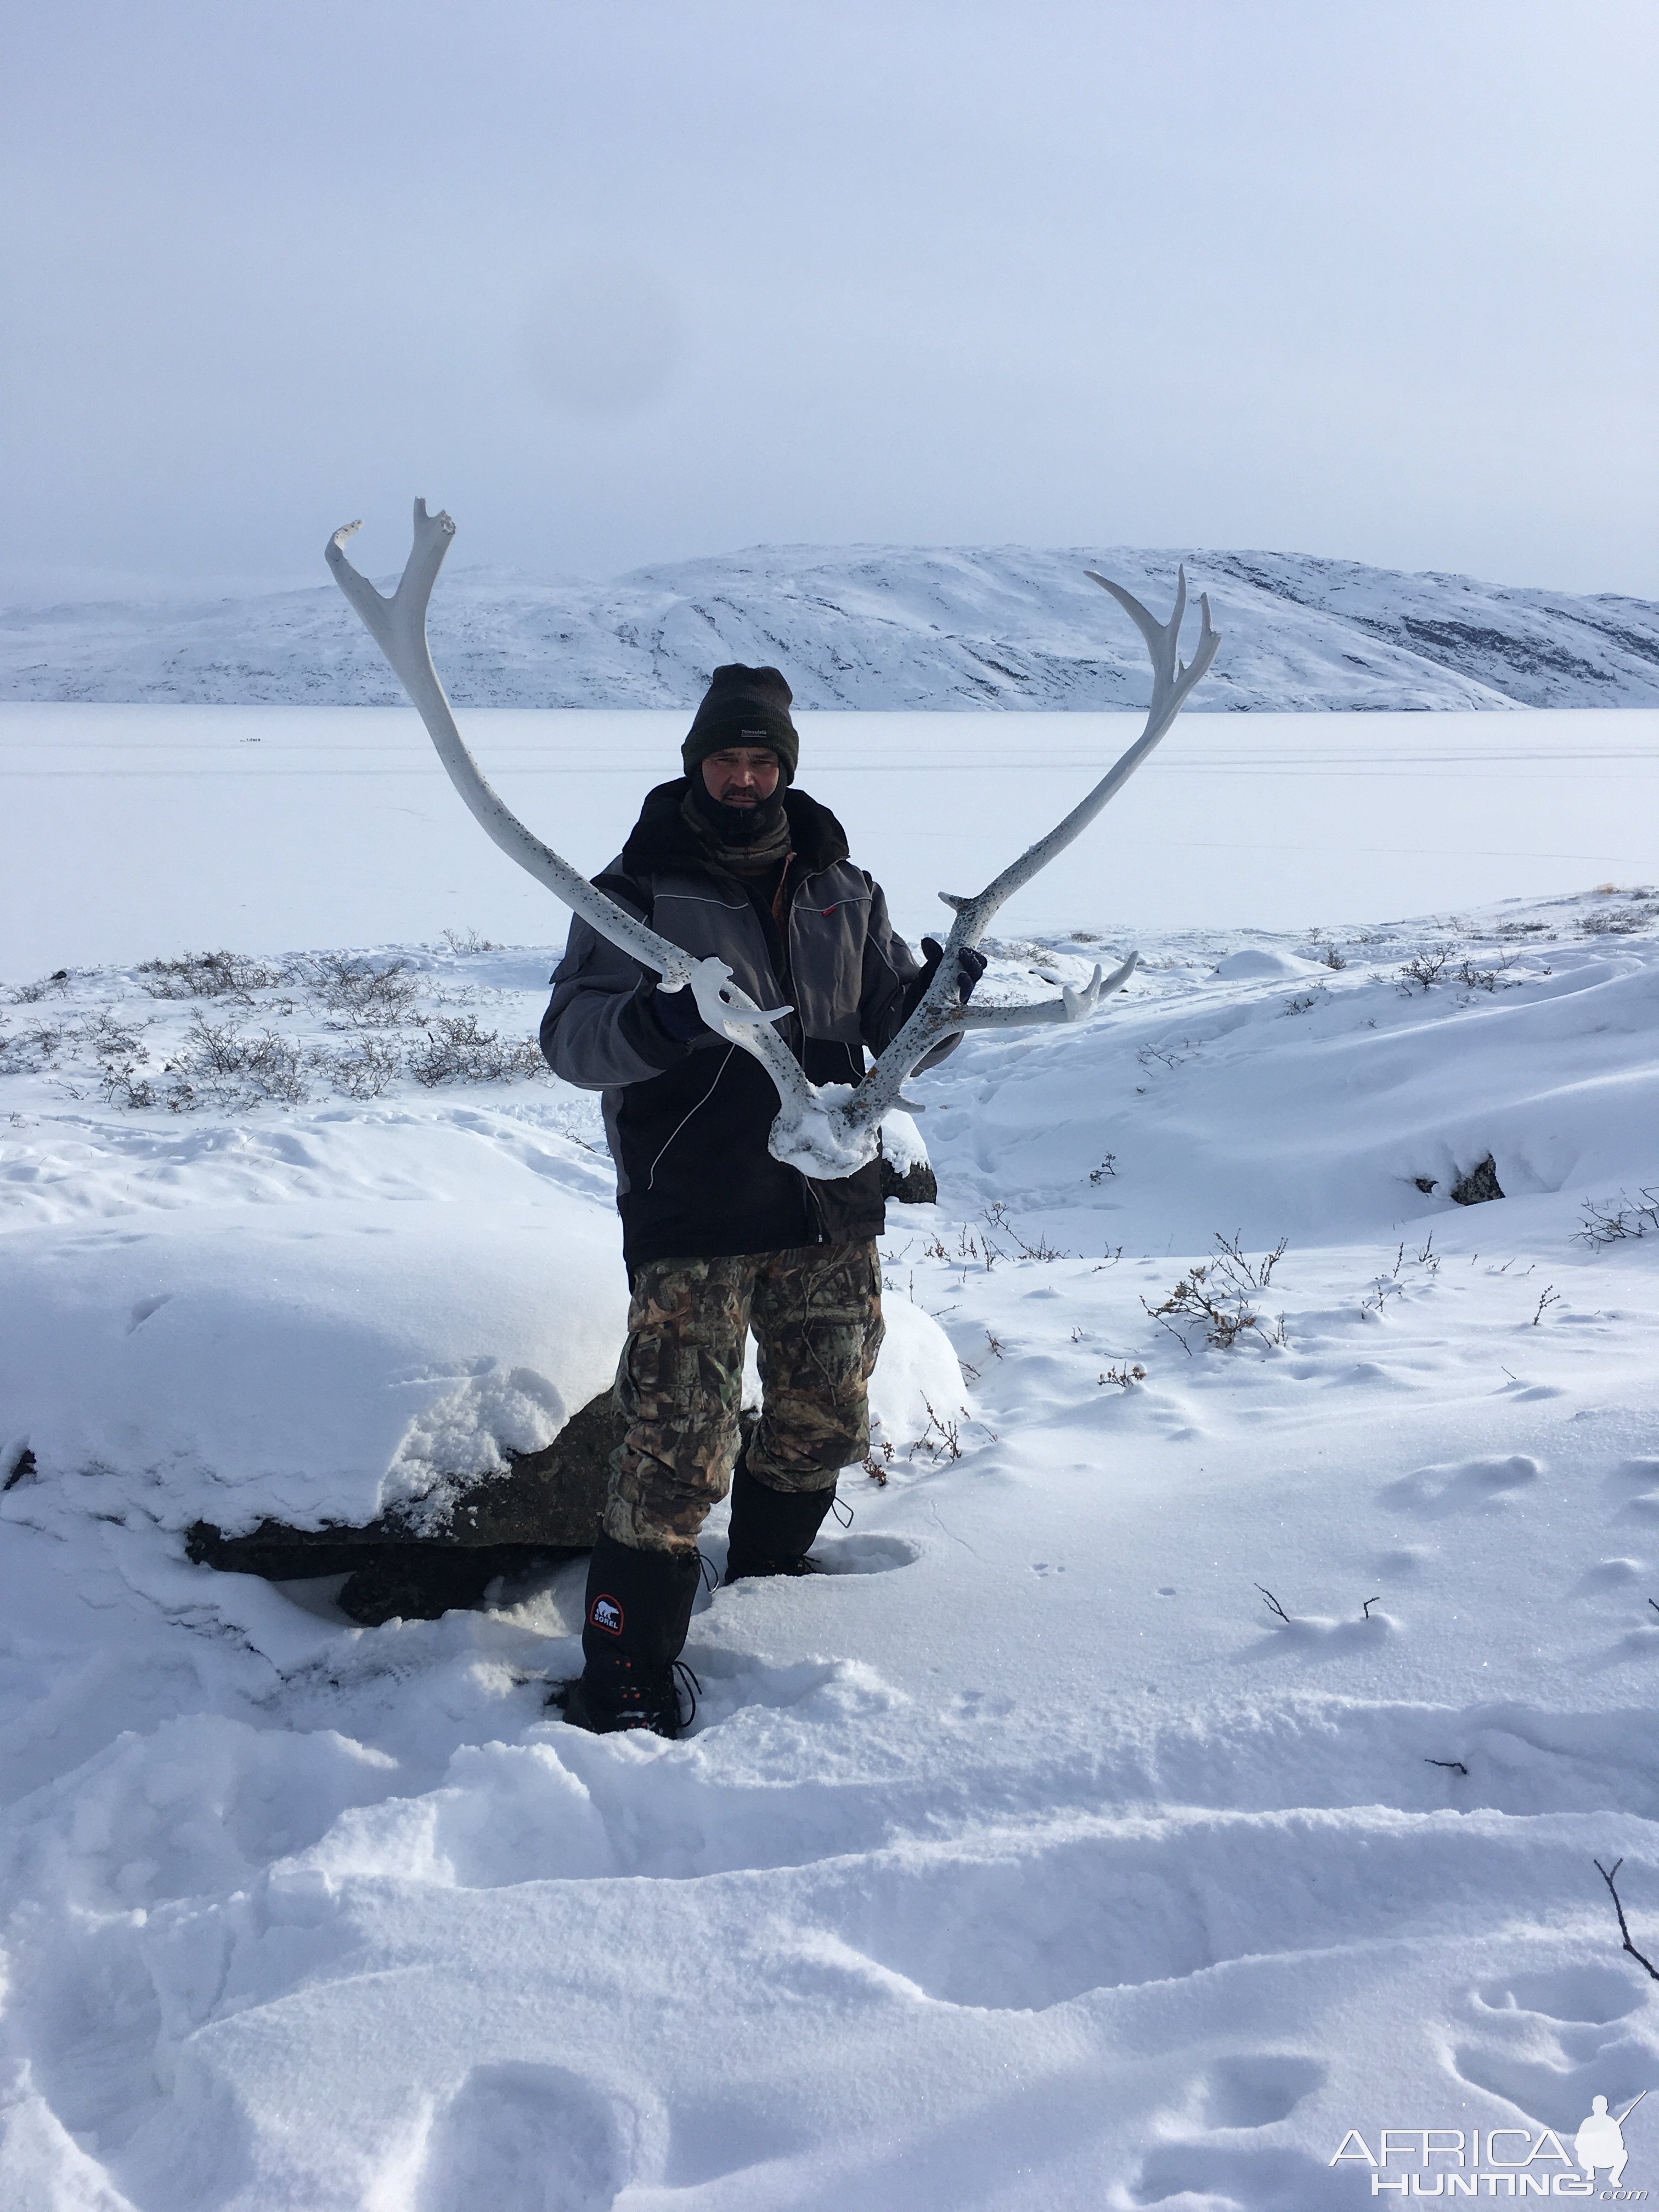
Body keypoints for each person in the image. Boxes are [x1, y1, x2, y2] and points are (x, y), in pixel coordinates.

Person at [539, 663, 984, 1737]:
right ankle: (627, 1667)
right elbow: (570, 1040)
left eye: (762, 759)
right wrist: (662, 1024)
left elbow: (890, 1031)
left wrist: (936, 1006)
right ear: (695, 762)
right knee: (675, 1437)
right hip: (696, 1198)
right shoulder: (634, 891)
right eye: (725, 758)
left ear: (786, 768)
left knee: (827, 1405)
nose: (743, 777)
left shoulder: (844, 888)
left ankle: (773, 1577)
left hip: (828, 1200)